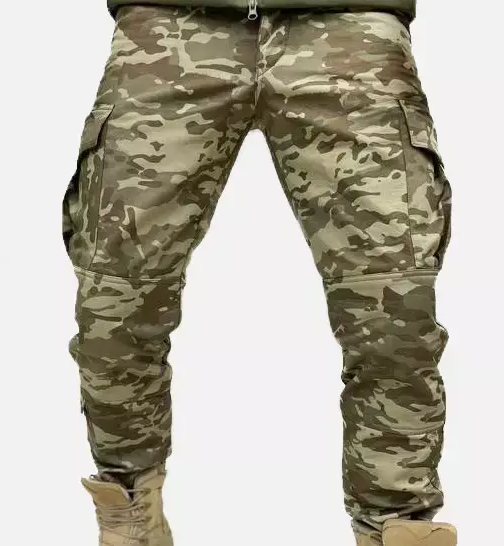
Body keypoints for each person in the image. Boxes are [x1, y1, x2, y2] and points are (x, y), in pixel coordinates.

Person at [62, 1, 455, 544]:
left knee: (393, 309)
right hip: (168, 24)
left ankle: (396, 528)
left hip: (349, 24)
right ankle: (130, 518)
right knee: (115, 299)